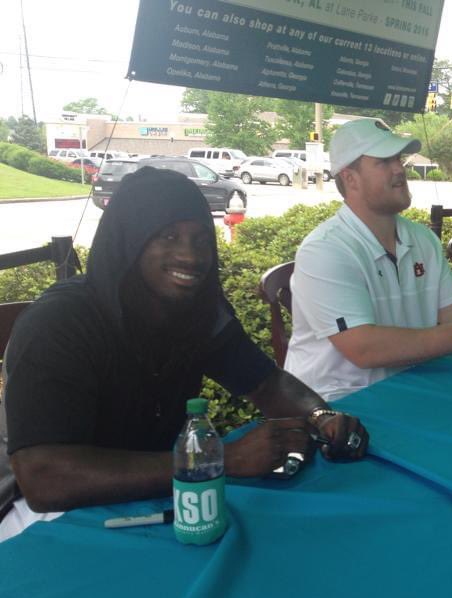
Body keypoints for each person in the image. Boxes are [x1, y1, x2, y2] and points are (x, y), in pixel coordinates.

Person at [0, 166, 368, 540]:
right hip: (45, 514)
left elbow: (266, 384)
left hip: (163, 493)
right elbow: (43, 478)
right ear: (130, 241)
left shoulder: (196, 309)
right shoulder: (61, 322)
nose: (190, 256)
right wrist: (219, 460)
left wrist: (321, 416)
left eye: (201, 239)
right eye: (168, 236)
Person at [284, 118, 452, 400]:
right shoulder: (326, 250)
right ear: (350, 178)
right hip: (336, 404)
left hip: (407, 389)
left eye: (397, 158)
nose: (399, 168)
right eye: (384, 161)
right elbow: (363, 348)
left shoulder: (421, 239)